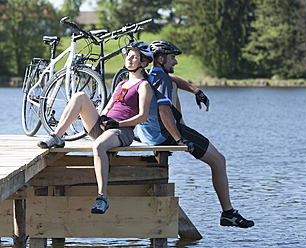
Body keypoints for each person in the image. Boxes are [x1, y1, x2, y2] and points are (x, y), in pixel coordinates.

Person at [134, 40, 255, 228]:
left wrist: (195, 91)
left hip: (146, 133)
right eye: (172, 58)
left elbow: (174, 81)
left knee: (173, 87)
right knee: (219, 160)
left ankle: (182, 127)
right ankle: (228, 213)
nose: (175, 62)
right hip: (165, 134)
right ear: (160, 58)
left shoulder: (150, 75)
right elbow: (165, 112)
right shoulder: (163, 79)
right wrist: (179, 139)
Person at [37, 41, 154, 214]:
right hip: (105, 127)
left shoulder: (143, 86)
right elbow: (108, 107)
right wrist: (104, 117)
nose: (129, 58)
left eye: (134, 57)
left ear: (143, 63)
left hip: (122, 131)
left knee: (98, 146)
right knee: (80, 96)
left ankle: (102, 197)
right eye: (128, 55)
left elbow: (142, 116)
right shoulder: (121, 84)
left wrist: (117, 124)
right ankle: (57, 137)